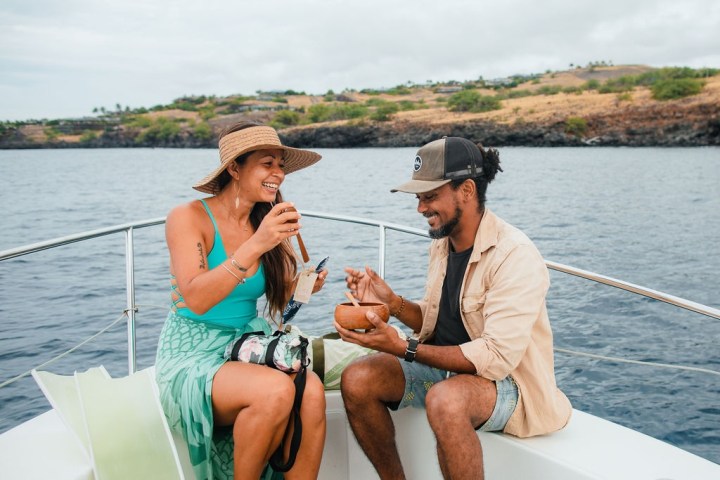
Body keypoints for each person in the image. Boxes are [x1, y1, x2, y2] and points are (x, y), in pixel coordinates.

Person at [335, 136, 572, 479]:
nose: (420, 208)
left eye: (430, 196)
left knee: (446, 401)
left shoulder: (515, 255)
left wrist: (403, 347)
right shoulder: (443, 243)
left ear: (467, 190)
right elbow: (435, 319)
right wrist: (392, 302)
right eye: (419, 198)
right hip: (446, 374)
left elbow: (494, 357)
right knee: (357, 378)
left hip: (507, 385)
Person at [155, 121, 328, 480]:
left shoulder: (262, 221)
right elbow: (197, 299)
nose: (278, 174)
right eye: (268, 163)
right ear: (235, 168)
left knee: (310, 391)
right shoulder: (187, 217)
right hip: (194, 353)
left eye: (281, 165)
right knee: (276, 391)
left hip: (247, 344)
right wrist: (257, 244)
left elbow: (280, 303)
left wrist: (305, 287)